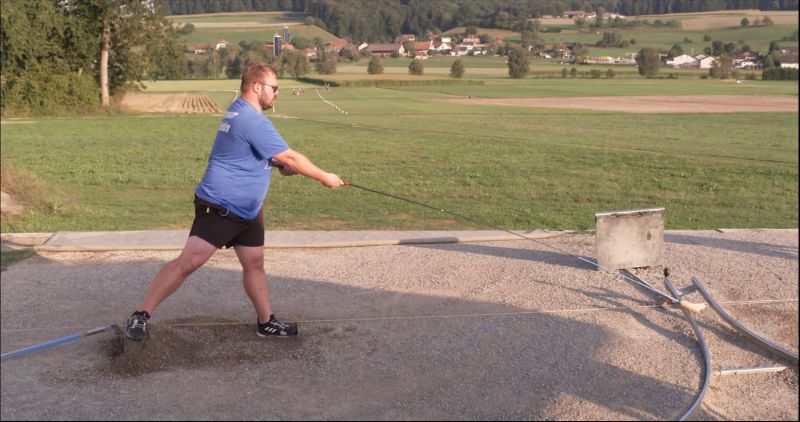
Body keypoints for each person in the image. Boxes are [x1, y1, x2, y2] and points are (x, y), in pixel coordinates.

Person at [125, 63, 344, 341]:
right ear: (256, 87)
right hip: (221, 205)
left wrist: (275, 163)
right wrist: (324, 177)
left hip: (248, 210)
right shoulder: (252, 119)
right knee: (188, 263)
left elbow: (249, 153)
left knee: (254, 264)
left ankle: (266, 323)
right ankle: (140, 315)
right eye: (274, 88)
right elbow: (291, 157)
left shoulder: (238, 110)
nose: (277, 93)